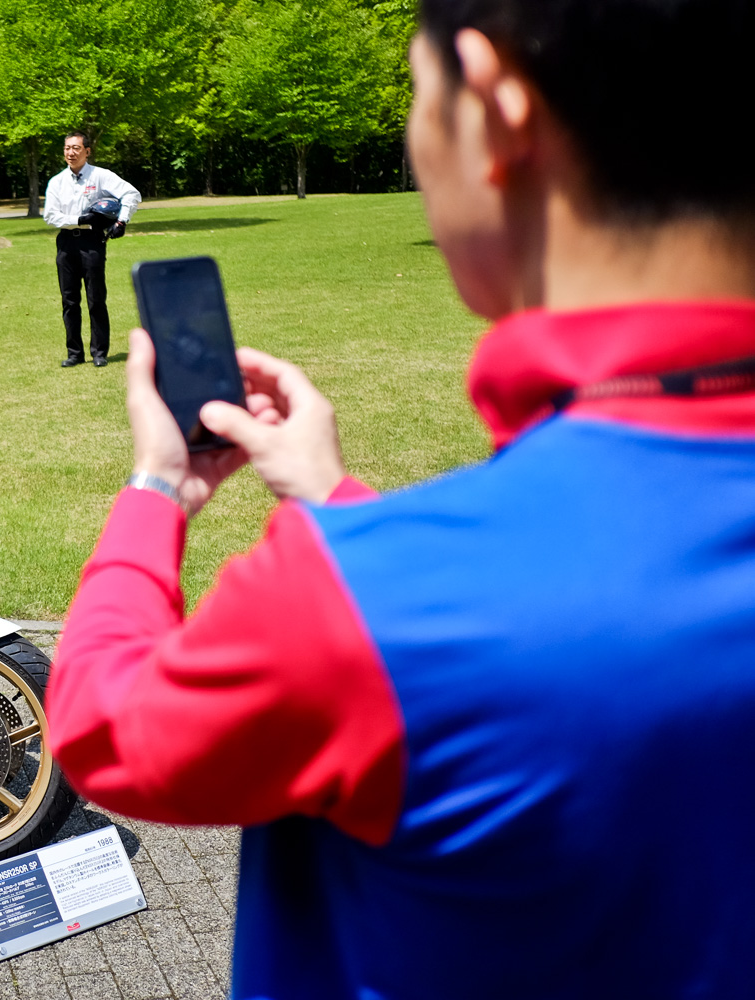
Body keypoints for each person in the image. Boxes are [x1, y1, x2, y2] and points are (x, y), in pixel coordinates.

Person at [48, 0, 755, 996]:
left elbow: (99, 727)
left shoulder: (355, 605)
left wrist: (155, 487)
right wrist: (337, 500)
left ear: (494, 109)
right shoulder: (388, 589)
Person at [42, 131, 140, 368]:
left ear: (87, 151)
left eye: (76, 148)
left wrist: (121, 221)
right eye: (67, 148)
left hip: (92, 242)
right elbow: (50, 215)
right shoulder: (56, 182)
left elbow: (131, 194)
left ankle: (99, 352)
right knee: (69, 300)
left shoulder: (101, 176)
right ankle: (74, 353)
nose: (70, 153)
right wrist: (80, 218)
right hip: (66, 243)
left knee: (96, 298)